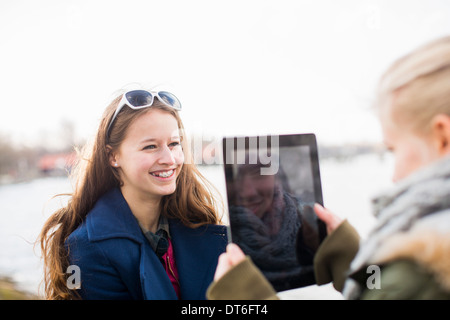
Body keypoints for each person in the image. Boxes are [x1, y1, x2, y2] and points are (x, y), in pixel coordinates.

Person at [207, 35, 450, 300]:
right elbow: (381, 290)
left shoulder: (418, 269)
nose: (394, 176)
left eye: (394, 149)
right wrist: (355, 261)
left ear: (442, 136)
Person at [39, 89, 227, 300]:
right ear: (113, 156)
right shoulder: (88, 249)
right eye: (150, 146)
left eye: (174, 144)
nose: (169, 158)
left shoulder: (198, 223)